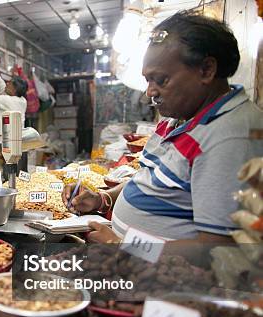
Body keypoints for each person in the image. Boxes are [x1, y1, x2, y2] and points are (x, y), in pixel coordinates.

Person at [63, 12, 263, 252]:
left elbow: (219, 250)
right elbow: (147, 179)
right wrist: (102, 199)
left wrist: (123, 244)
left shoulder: (231, 137)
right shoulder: (178, 118)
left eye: (160, 80)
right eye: (148, 80)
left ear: (206, 70)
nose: (150, 92)